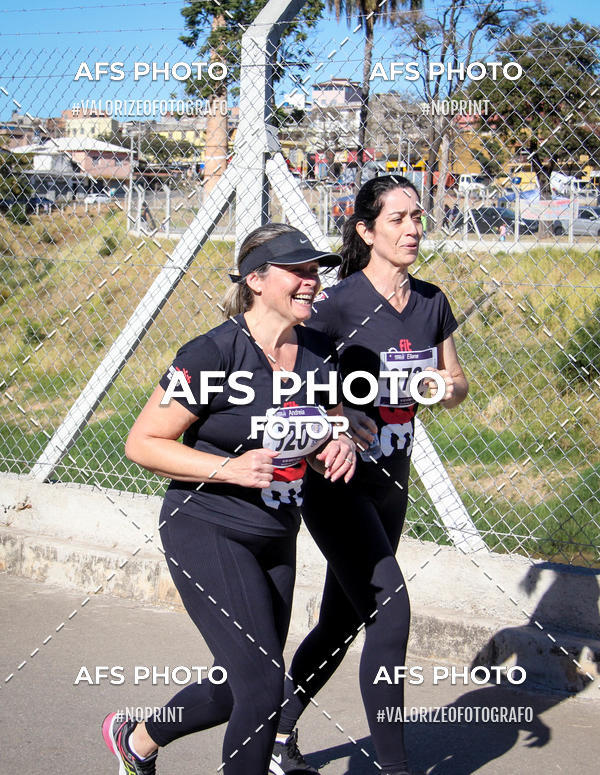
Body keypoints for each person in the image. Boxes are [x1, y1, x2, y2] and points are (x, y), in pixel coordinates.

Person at [101, 223, 356, 775]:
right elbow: (142, 442)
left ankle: (137, 740)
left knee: (237, 682)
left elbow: (328, 428)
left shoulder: (318, 353)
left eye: (316, 271)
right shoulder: (212, 352)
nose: (312, 282)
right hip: (206, 527)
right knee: (263, 687)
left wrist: (337, 446)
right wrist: (228, 468)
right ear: (257, 280)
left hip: (276, 533)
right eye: (300, 271)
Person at [270, 176, 468, 775]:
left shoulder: (432, 301)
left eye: (417, 217)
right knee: (391, 609)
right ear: (366, 230)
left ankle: (274, 734)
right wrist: (338, 419)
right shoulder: (334, 306)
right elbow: (291, 383)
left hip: (392, 481)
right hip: (338, 482)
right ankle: (393, 767)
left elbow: (456, 382)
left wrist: (439, 387)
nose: (412, 229)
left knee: (340, 619)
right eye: (398, 219)